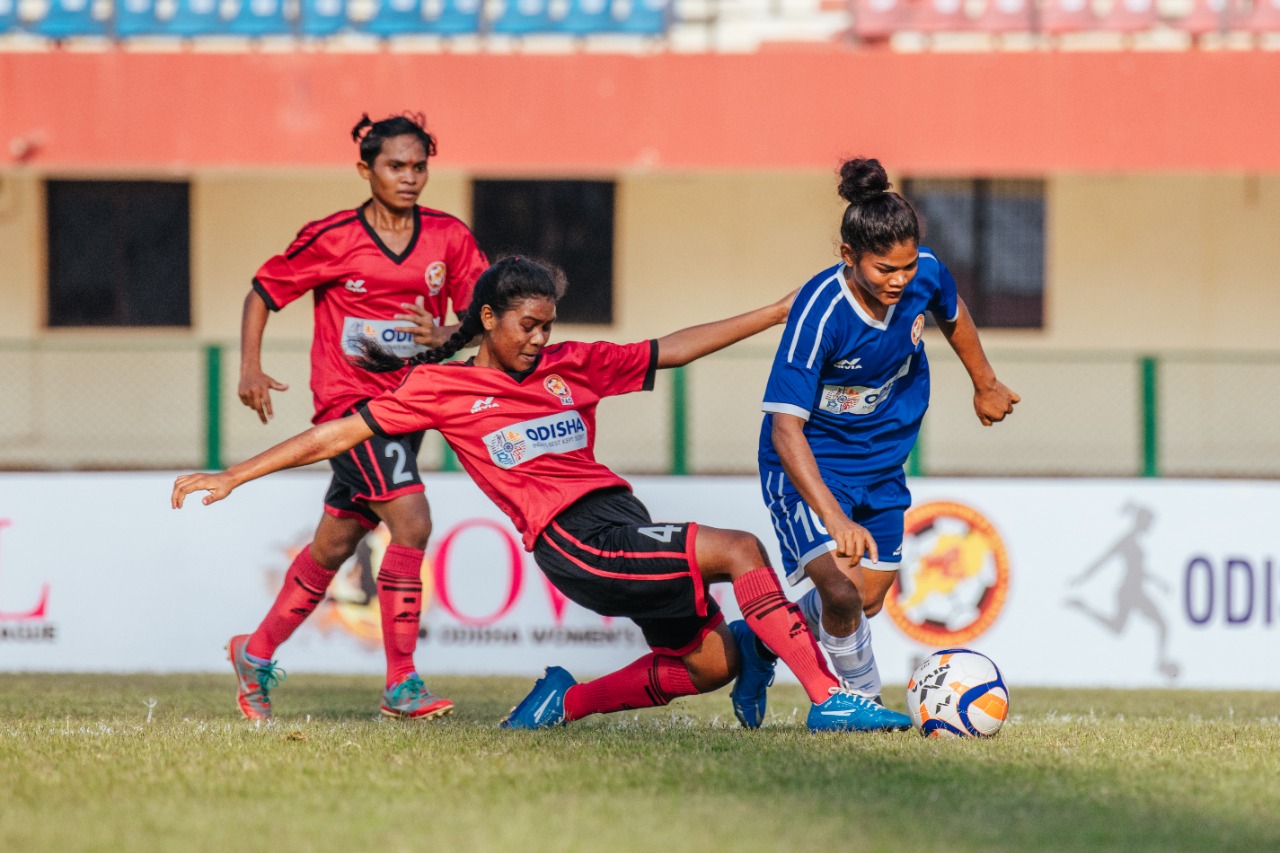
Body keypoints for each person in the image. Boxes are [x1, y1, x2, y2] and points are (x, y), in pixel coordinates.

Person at [174, 256, 911, 733]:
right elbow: (336, 435)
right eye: (527, 325)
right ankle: (829, 699)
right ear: (489, 320)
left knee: (708, 665)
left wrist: (778, 309)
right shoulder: (443, 386)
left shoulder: (572, 363)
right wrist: (235, 473)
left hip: (622, 517)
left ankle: (565, 699)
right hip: (572, 540)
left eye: (546, 326)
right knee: (741, 548)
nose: (537, 339)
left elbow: (671, 348)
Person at [729, 158, 1019, 729]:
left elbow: (953, 311)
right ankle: (858, 703)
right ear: (849, 257)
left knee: (865, 599)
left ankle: (760, 644)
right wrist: (833, 516)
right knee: (839, 589)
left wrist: (985, 383)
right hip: (809, 464)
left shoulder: (925, 274)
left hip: (883, 460)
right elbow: (786, 428)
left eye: (907, 266)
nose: (899, 280)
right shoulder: (819, 312)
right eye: (885, 268)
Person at [229, 112, 488, 721]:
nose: (410, 177)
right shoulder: (334, 236)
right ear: (365, 168)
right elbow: (263, 292)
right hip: (351, 407)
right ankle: (402, 682)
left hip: (413, 406)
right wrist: (249, 366)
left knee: (335, 543)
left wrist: (448, 330)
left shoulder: (448, 237)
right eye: (396, 166)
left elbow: (480, 313)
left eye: (419, 166)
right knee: (413, 521)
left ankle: (255, 653)